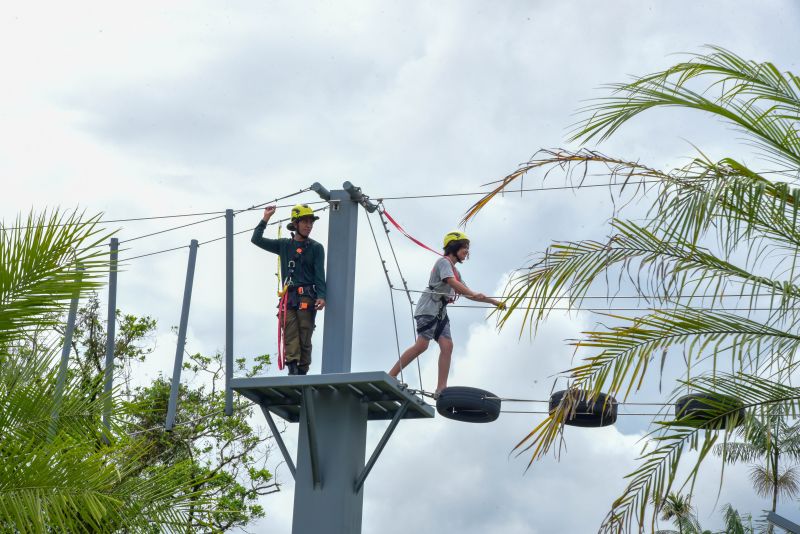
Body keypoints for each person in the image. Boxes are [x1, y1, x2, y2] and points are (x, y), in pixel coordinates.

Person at [388, 230, 504, 395]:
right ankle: (392, 374)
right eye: (464, 247)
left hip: (440, 311)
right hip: (428, 308)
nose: (467, 251)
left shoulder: (456, 272)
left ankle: (441, 388)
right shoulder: (443, 263)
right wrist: (472, 293)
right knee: (422, 345)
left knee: (447, 346)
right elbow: (451, 283)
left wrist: (493, 302)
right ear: (454, 246)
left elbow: (466, 291)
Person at [251, 204, 326, 375]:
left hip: (307, 297)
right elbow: (256, 239)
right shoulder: (284, 245)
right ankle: (292, 368)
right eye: (305, 222)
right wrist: (266, 218)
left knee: (304, 335)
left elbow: (319, 275)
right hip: (289, 297)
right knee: (290, 332)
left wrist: (321, 295)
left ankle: (302, 370)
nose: (309, 225)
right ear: (296, 224)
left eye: (311, 222)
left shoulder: (316, 248)